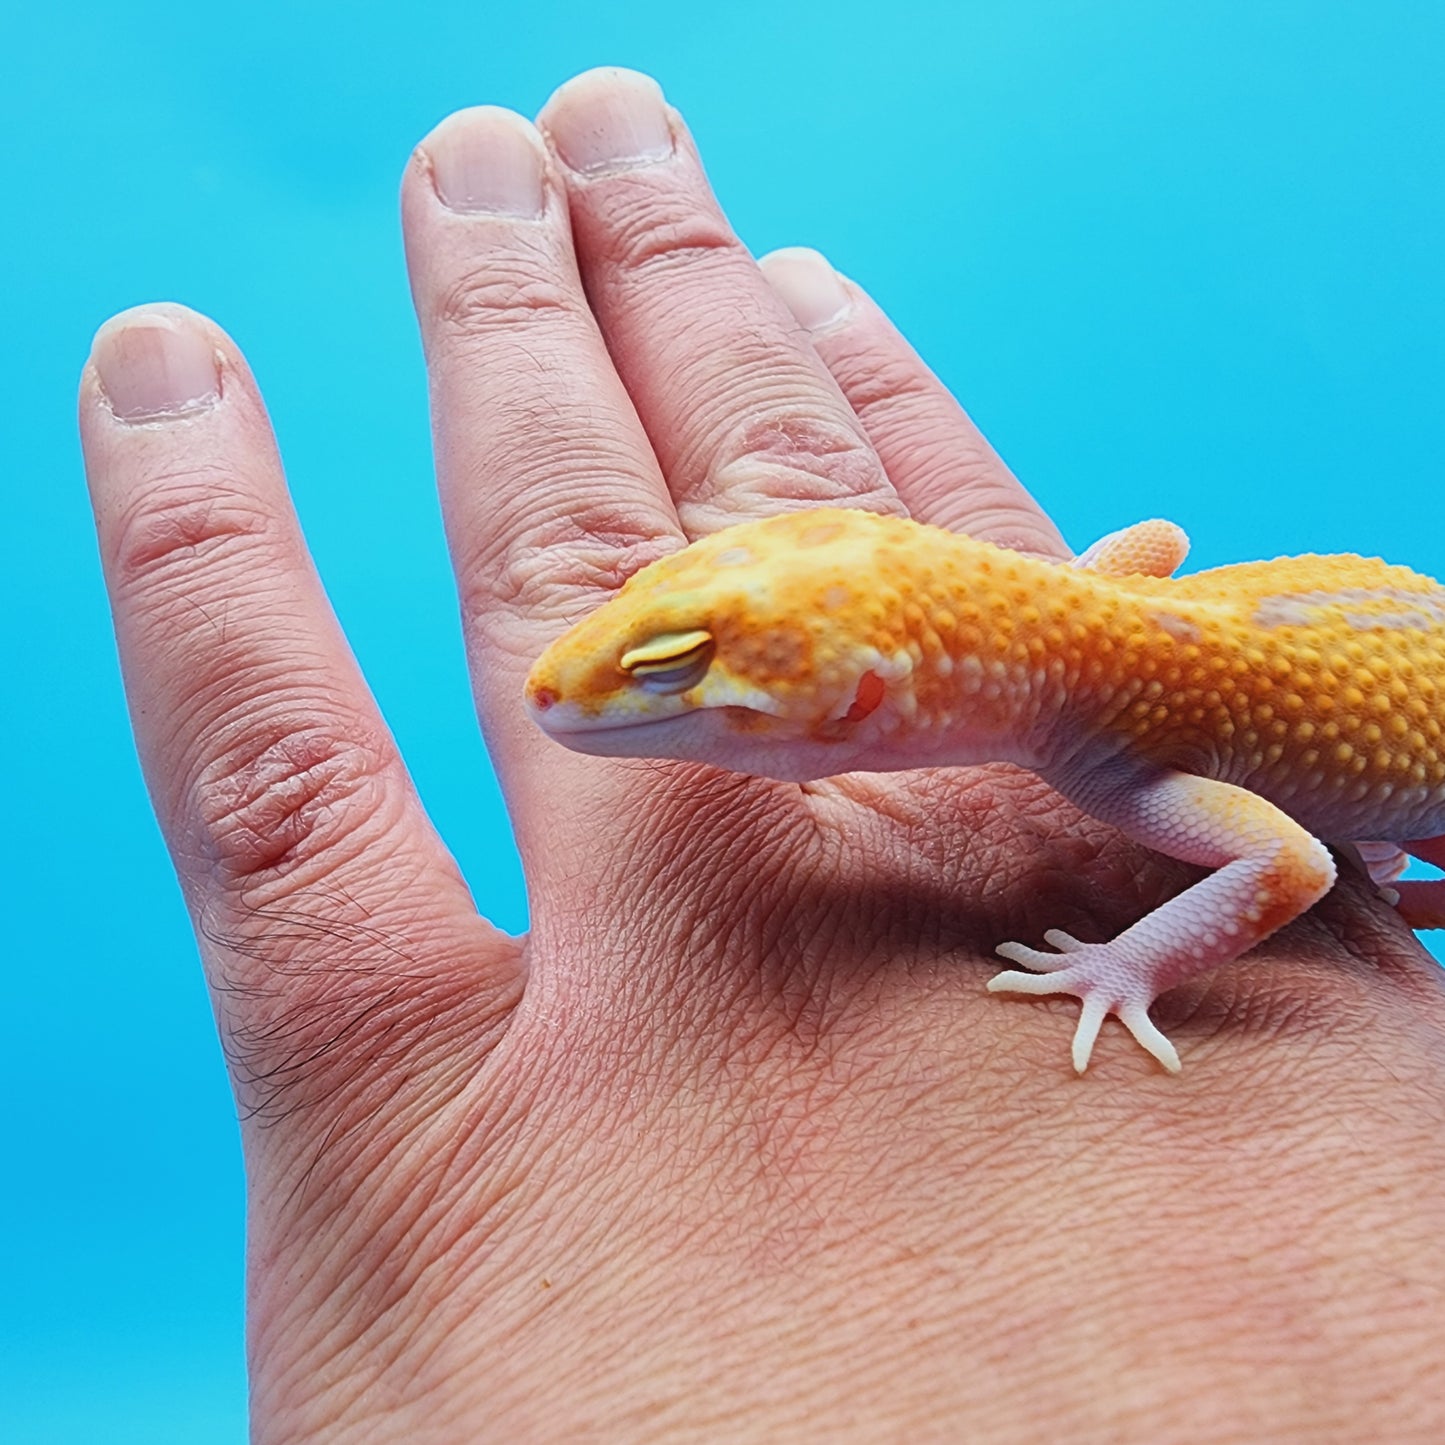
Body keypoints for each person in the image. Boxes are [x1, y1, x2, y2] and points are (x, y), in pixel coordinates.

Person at [78, 67, 1445, 1441]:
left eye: (683, 669)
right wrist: (1057, 609)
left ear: (882, 698)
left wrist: (1126, 963)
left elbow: (1286, 862)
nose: (581, 684)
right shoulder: (1074, 664)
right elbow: (1152, 547)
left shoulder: (1120, 764)